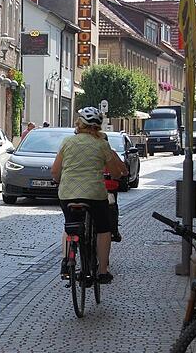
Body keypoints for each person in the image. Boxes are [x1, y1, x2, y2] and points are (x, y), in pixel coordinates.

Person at [51, 107, 128, 284]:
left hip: (68, 193)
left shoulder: (67, 142)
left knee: (70, 226)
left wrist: (59, 180)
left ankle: (66, 262)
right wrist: (116, 175)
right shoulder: (102, 144)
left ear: (79, 124)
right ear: (98, 127)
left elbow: (55, 171)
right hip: (94, 193)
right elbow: (115, 172)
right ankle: (102, 271)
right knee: (103, 228)